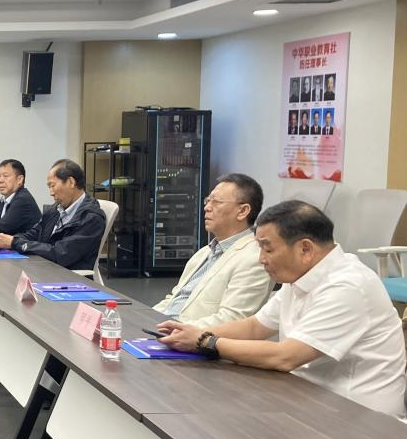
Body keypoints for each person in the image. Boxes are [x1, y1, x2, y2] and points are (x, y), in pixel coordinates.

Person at [158, 201, 406, 420]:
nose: (261, 259)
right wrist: (190, 332)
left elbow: (285, 356)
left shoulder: (348, 286)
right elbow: (255, 327)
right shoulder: (300, 276)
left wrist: (206, 341)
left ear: (305, 249)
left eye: (268, 249)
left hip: (359, 417)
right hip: (310, 397)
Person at [154, 174, 272, 327]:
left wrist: (176, 330)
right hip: (162, 328)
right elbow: (173, 298)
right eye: (208, 201)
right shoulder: (204, 253)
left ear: (242, 211)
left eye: (216, 202)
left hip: (190, 336)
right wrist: (144, 317)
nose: (207, 207)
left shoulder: (255, 258)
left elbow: (231, 319)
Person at [0, 158, 106, 271]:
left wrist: (15, 243)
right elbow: (34, 234)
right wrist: (9, 241)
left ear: (71, 182)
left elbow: (60, 253)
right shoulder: (55, 210)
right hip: (44, 267)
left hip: (67, 277)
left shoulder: (91, 218)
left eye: (52, 185)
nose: (51, 193)